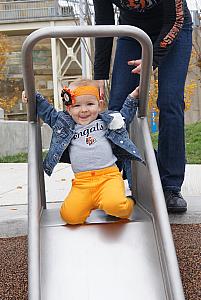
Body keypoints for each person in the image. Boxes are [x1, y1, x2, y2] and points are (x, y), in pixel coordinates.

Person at [93, 0, 193, 213]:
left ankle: (171, 186)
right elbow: (104, 23)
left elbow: (174, 20)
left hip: (174, 28)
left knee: (170, 101)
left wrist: (152, 59)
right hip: (132, 32)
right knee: (118, 109)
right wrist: (100, 74)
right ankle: (113, 182)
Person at [22, 79, 144, 225]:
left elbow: (125, 116)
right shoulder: (65, 125)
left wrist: (133, 97)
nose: (84, 110)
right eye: (77, 105)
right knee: (70, 216)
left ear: (100, 105)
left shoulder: (107, 121)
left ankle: (126, 203)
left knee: (116, 206)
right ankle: (95, 203)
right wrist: (32, 95)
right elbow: (48, 112)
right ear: (68, 109)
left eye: (90, 104)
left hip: (108, 178)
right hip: (82, 183)